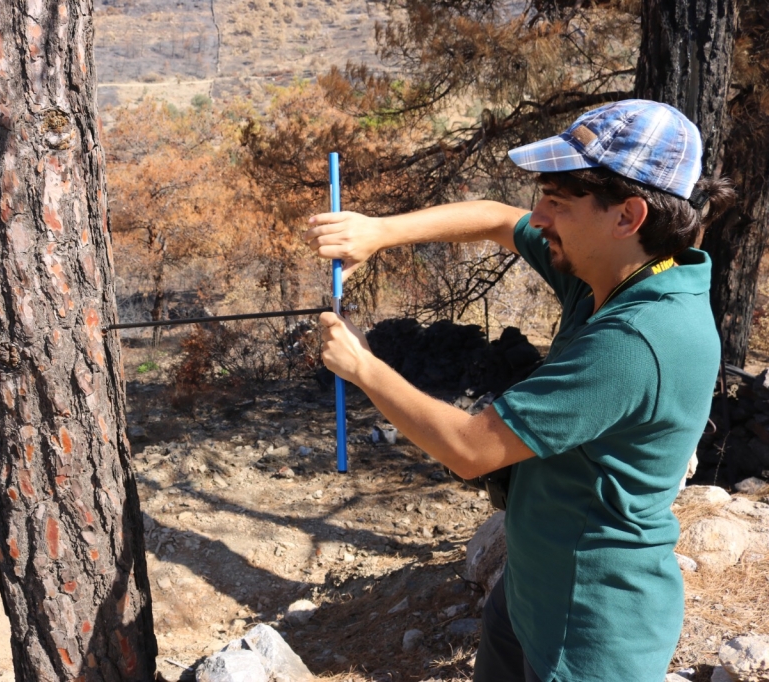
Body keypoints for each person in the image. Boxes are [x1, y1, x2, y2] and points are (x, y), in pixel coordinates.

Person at [304, 99, 735, 682]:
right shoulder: (618, 273)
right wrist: (377, 233)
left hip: (588, 633)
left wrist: (361, 366)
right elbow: (500, 220)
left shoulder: (637, 339)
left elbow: (472, 449)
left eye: (557, 203)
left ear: (628, 216)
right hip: (536, 589)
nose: (540, 217)